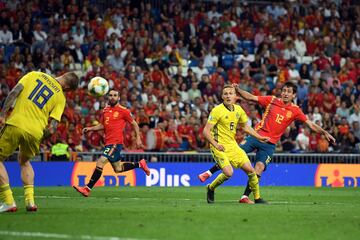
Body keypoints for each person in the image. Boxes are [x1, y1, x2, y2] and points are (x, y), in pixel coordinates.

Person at [199, 82, 336, 204]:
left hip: (270, 144)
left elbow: (310, 124)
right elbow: (251, 97)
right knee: (232, 154)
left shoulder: (295, 111)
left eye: (289, 91)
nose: (285, 93)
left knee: (258, 169)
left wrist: (324, 132)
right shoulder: (272, 100)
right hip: (256, 136)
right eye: (284, 90)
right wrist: (238, 90)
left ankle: (245, 196)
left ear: (294, 95)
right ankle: (210, 172)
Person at [0, 71, 79, 213]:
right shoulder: (61, 97)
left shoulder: (34, 75)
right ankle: (30, 202)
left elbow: (14, 92)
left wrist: (2, 114)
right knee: (24, 161)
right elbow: (53, 127)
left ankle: (8, 201)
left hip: (16, 123)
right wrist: (40, 138)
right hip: (35, 132)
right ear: (67, 88)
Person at [73, 89, 150, 197]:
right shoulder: (105, 110)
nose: (112, 97)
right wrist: (90, 128)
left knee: (101, 162)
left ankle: (87, 189)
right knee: (118, 169)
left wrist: (138, 138)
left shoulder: (124, 111)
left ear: (118, 98)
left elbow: (135, 124)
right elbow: (102, 125)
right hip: (108, 143)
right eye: (110, 95)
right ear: (108, 97)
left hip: (116, 143)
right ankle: (140, 164)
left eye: (115, 95)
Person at [203, 84, 269, 204]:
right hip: (218, 146)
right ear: (222, 96)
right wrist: (215, 144)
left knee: (251, 170)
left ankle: (258, 198)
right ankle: (211, 188)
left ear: (235, 96)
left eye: (231, 93)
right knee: (229, 172)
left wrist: (259, 137)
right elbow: (206, 131)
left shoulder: (238, 110)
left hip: (232, 145)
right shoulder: (217, 110)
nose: (228, 96)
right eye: (225, 94)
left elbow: (245, 126)